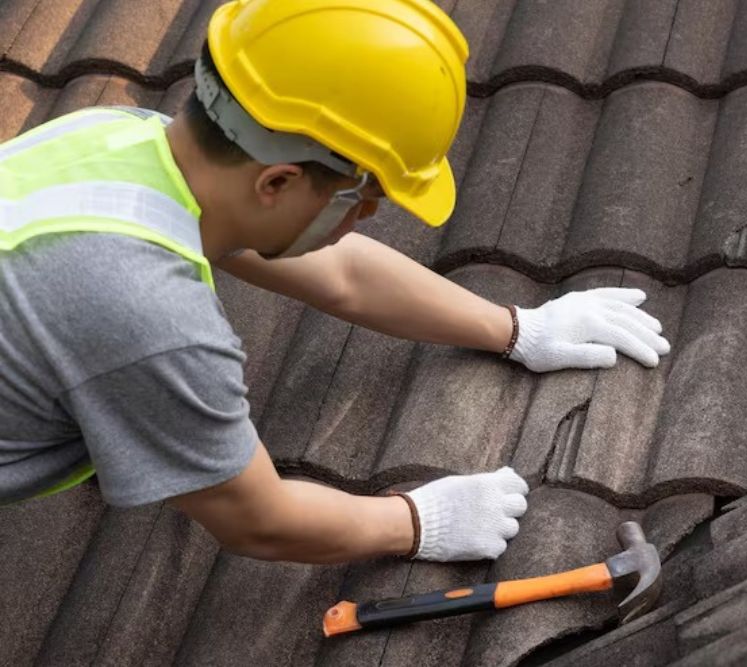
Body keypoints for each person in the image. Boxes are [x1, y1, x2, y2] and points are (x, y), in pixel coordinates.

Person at [0, 0, 669, 565]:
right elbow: (257, 518)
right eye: (364, 198)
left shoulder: (118, 137)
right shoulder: (148, 317)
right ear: (279, 182)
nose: (365, 219)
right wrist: (415, 520)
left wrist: (520, 327)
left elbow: (341, 275)